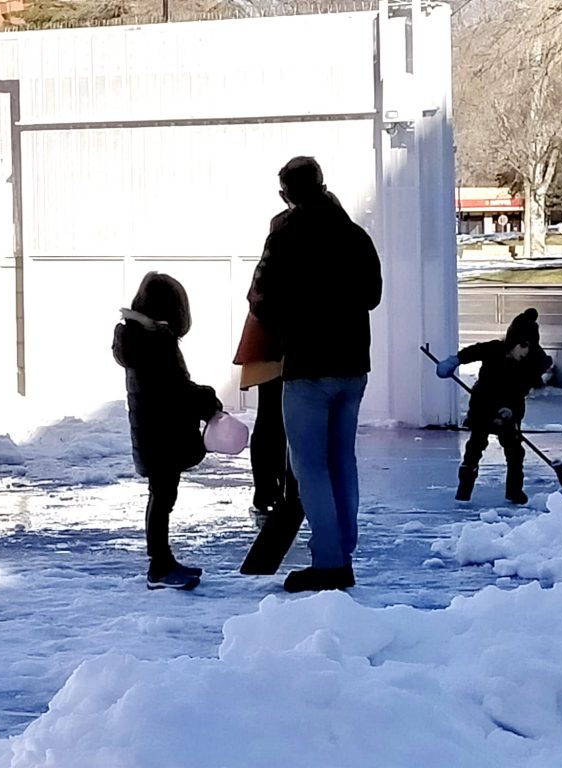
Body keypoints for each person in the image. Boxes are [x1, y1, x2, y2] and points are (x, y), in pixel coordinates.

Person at [248, 156, 382, 593]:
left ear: (287, 194)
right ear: (323, 184)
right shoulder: (354, 235)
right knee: (343, 458)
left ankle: (328, 562)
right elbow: (373, 295)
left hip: (307, 367)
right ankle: (344, 548)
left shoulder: (285, 236)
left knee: (310, 466)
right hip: (352, 366)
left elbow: (261, 300)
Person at [112, 272, 223, 591]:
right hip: (161, 435)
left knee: (162, 497)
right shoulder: (155, 343)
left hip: (154, 435)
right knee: (162, 499)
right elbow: (173, 391)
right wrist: (206, 398)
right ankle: (159, 565)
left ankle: (162, 560)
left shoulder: (139, 339)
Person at [435, 308, 553, 504]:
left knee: (515, 451)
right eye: (522, 345)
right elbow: (472, 352)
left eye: (530, 347)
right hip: (483, 404)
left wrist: (510, 411)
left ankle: (514, 492)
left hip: (510, 409)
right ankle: (464, 490)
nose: (525, 351)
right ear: (513, 341)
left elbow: (521, 390)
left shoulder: (530, 364)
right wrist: (453, 361)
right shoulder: (494, 350)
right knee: (475, 446)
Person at [232, 186, 298, 522]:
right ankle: (279, 490)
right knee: (282, 419)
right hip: (277, 342)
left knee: (271, 418)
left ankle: (268, 489)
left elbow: (257, 296)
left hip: (264, 340)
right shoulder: (291, 235)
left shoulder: (277, 236)